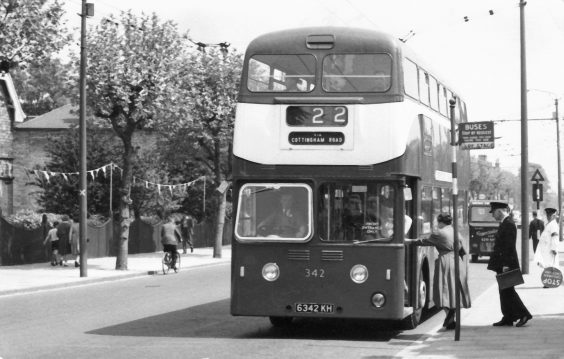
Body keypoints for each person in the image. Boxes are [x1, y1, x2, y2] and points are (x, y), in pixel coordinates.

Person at [420, 213, 471, 330]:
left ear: (440, 222)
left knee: (442, 289)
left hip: (445, 261)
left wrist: (409, 241)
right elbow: (462, 249)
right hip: (457, 261)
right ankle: (451, 319)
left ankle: (450, 313)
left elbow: (423, 242)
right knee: (454, 289)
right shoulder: (455, 231)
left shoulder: (439, 232)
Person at [487, 201, 532, 327]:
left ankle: (524, 314)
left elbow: (509, 247)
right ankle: (508, 317)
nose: (492, 215)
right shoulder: (505, 223)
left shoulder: (509, 224)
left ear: (500, 211)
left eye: (493, 212)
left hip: (506, 264)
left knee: (508, 291)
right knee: (504, 291)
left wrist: (506, 265)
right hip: (502, 263)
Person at [534, 207, 560, 272]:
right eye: (547, 215)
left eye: (550, 215)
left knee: (552, 270)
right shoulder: (549, 224)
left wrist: (554, 249)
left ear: (553, 216)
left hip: (551, 252)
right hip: (546, 251)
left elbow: (555, 237)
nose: (548, 217)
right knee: (548, 269)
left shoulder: (553, 225)